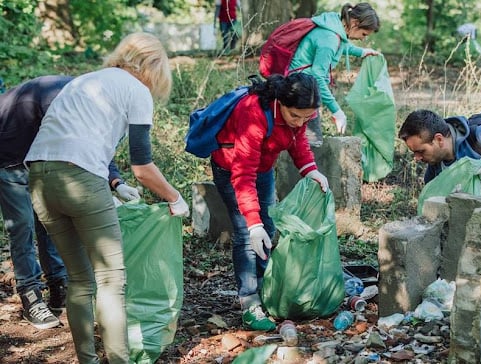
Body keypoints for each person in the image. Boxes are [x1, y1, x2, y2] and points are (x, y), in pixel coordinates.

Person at [24, 32, 189, 363]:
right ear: (153, 66)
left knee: (80, 280)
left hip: (39, 178)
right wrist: (175, 197)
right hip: (81, 179)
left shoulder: (85, 81)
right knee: (111, 280)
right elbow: (142, 167)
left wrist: (114, 183)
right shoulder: (137, 90)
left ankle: (88, 360)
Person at [0, 76, 141, 330]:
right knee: (22, 226)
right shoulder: (70, 99)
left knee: (49, 221)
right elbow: (76, 148)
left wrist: (116, 183)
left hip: (42, 157)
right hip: (10, 156)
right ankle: (31, 295)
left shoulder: (95, 100)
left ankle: (58, 286)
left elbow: (96, 148)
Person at [211, 73, 329, 331]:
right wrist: (252, 223)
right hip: (231, 167)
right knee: (246, 232)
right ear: (281, 102)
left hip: (263, 167)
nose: (300, 122)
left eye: (306, 117)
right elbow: (243, 175)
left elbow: (298, 142)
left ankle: (266, 285)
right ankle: (249, 299)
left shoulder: (299, 115)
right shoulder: (253, 112)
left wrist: (311, 170)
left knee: (269, 226)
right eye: (295, 116)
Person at [287, 2, 380, 146]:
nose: (363, 39)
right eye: (364, 34)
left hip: (302, 83)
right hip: (299, 89)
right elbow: (317, 76)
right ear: (355, 23)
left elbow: (342, 43)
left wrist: (362, 52)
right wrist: (337, 111)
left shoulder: (335, 25)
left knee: (303, 140)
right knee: (312, 143)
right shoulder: (329, 39)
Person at [398, 109, 481, 202]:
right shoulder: (435, 172)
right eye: (414, 153)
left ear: (439, 139)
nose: (417, 158)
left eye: (421, 151)